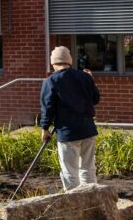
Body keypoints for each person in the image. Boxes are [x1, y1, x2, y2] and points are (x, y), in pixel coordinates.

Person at [40, 46, 101, 191]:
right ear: (70, 61)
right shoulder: (85, 77)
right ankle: (92, 200)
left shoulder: (51, 81)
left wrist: (44, 128)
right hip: (88, 129)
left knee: (70, 171)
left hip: (67, 132)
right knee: (88, 168)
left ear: (53, 63)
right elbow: (95, 99)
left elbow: (47, 107)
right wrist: (90, 80)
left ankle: (75, 204)